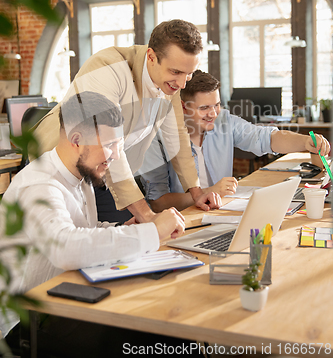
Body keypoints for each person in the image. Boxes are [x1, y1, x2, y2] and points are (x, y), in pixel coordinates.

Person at [0, 91, 199, 358]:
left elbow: (83, 231)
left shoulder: (79, 175)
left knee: (172, 327)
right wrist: (151, 231)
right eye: (110, 144)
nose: (116, 155)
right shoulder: (40, 186)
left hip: (65, 297)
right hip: (28, 321)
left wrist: (125, 230)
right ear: (76, 140)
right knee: (153, 340)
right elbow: (66, 247)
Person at [32, 20, 221, 223]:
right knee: (72, 243)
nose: (183, 83)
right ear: (151, 57)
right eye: (175, 72)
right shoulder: (108, 68)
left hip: (101, 172)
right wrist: (146, 213)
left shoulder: (171, 84)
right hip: (58, 165)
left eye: (189, 74)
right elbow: (104, 140)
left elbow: (177, 137)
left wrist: (197, 192)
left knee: (132, 238)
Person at [139, 70, 331, 212]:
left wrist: (305, 142)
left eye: (216, 105)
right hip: (181, 222)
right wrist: (207, 192)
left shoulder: (224, 121)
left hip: (221, 213)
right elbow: (158, 202)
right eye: (205, 108)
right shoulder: (157, 138)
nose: (213, 114)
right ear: (183, 107)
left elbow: (266, 137)